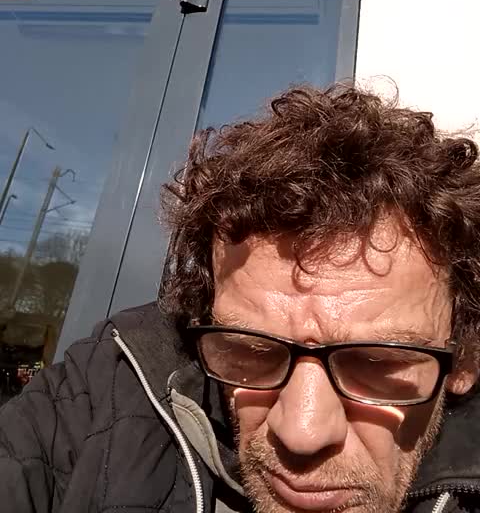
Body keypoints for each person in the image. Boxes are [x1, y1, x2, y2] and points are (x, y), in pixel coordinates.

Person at [1, 84, 479, 513]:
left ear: (465, 359)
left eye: (376, 362)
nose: (301, 433)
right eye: (251, 351)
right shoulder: (105, 386)